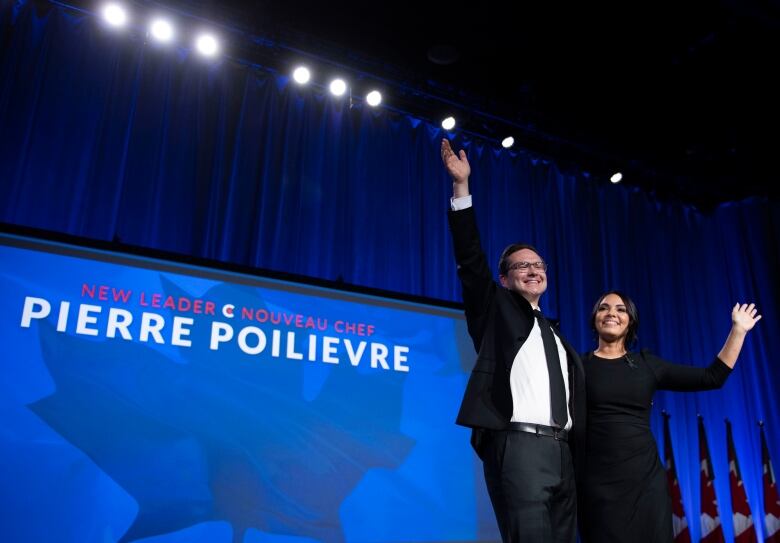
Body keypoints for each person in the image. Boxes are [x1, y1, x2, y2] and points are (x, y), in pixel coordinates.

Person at [441, 138, 586, 542]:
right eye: (522, 266)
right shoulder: (494, 310)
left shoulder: (556, 334)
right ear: (505, 278)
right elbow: (470, 259)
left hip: (563, 453)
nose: (533, 270)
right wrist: (461, 189)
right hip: (519, 446)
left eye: (539, 265)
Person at [580, 290, 762, 543]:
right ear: (594, 319)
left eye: (621, 309)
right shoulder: (577, 366)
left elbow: (712, 377)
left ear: (630, 320)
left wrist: (738, 330)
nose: (612, 313)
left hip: (645, 485)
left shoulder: (647, 364)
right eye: (604, 308)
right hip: (596, 486)